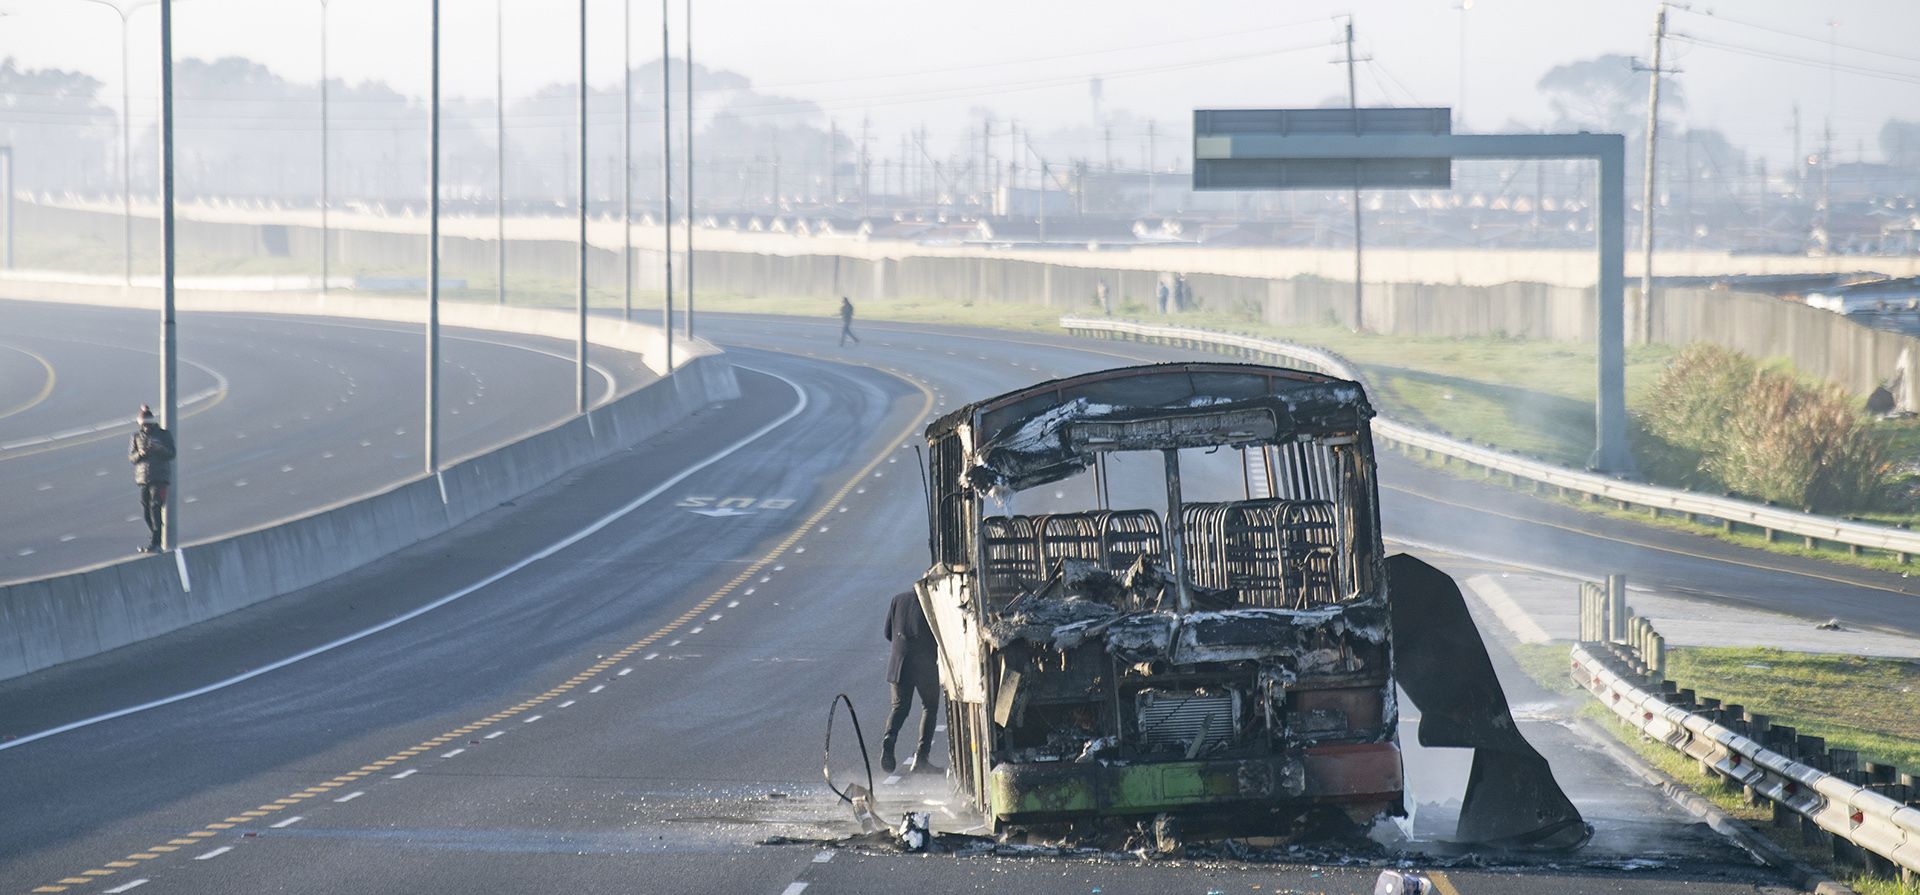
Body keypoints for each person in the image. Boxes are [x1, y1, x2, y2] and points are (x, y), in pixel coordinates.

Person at [881, 589, 941, 775]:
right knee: (930, 707)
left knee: (899, 707)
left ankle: (889, 739)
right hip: (924, 665)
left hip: (900, 663)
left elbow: (888, 633)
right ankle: (922, 758)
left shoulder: (898, 599)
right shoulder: (932, 602)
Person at [129, 404, 176, 554]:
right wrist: (140, 454)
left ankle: (155, 542)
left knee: (156, 507)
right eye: (144, 424)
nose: (146, 427)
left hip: (160, 477)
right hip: (144, 478)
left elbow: (171, 453)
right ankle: (155, 536)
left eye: (148, 424)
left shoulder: (163, 435)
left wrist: (159, 448)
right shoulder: (136, 437)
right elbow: (132, 457)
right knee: (146, 510)